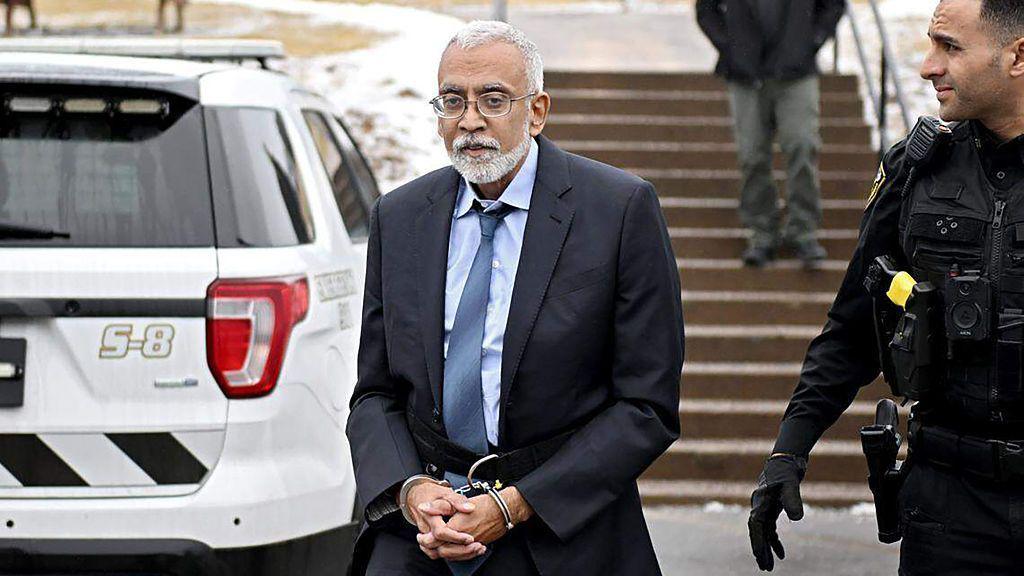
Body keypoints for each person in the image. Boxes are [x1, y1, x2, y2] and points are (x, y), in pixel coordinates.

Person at [346, 20, 684, 576]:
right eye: (452, 101)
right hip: (427, 533)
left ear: (537, 110)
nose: (470, 121)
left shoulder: (618, 211)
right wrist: (409, 492)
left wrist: (514, 504)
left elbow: (645, 406)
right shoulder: (401, 217)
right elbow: (375, 393)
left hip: (561, 530)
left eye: (493, 100)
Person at [747, 0, 1024, 573]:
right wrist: (788, 450)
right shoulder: (917, 172)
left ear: (1016, 56)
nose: (927, 66)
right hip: (950, 505)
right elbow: (852, 329)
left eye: (950, 47)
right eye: (929, 44)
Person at [696, 0, 845, 268]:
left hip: (796, 72)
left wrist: (813, 40)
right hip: (745, 73)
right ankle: (762, 233)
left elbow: (833, 5)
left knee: (802, 145)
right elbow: (706, 10)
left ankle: (803, 231)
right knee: (751, 155)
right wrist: (730, 48)